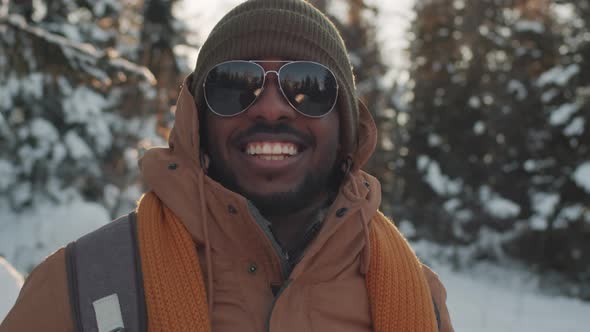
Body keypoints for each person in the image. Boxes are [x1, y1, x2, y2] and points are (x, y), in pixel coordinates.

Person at [0, 0, 454, 331]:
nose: (272, 108)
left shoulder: (416, 298)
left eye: (308, 87)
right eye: (236, 85)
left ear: (346, 128)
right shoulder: (82, 286)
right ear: (197, 120)